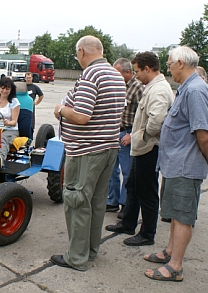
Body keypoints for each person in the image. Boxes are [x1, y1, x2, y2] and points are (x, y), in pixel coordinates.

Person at [50, 35, 125, 271]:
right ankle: (90, 251)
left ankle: (76, 257)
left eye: (76, 54)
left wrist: (61, 109)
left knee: (77, 202)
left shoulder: (91, 74)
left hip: (86, 151)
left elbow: (82, 116)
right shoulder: (115, 74)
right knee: (96, 203)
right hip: (108, 148)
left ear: (82, 52)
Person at [143, 46, 208, 282]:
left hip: (186, 165)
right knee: (175, 213)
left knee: (183, 216)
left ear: (181, 63)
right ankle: (170, 252)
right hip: (176, 164)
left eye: (170, 64)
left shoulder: (195, 91)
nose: (168, 68)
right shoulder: (186, 89)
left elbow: (204, 134)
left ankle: (175, 267)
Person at [105, 52, 174, 246]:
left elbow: (157, 120)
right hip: (142, 147)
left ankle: (147, 233)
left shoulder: (159, 89)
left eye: (137, 71)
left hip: (148, 148)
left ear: (147, 69)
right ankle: (128, 223)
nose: (135, 75)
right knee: (132, 187)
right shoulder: (152, 87)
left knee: (147, 192)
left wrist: (140, 136)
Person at [106, 58, 143, 219]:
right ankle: (112, 201)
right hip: (113, 132)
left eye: (117, 72)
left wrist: (132, 134)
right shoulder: (116, 86)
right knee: (110, 170)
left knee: (127, 172)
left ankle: (125, 204)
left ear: (128, 72)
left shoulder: (137, 88)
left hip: (126, 134)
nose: (114, 75)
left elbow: (143, 115)